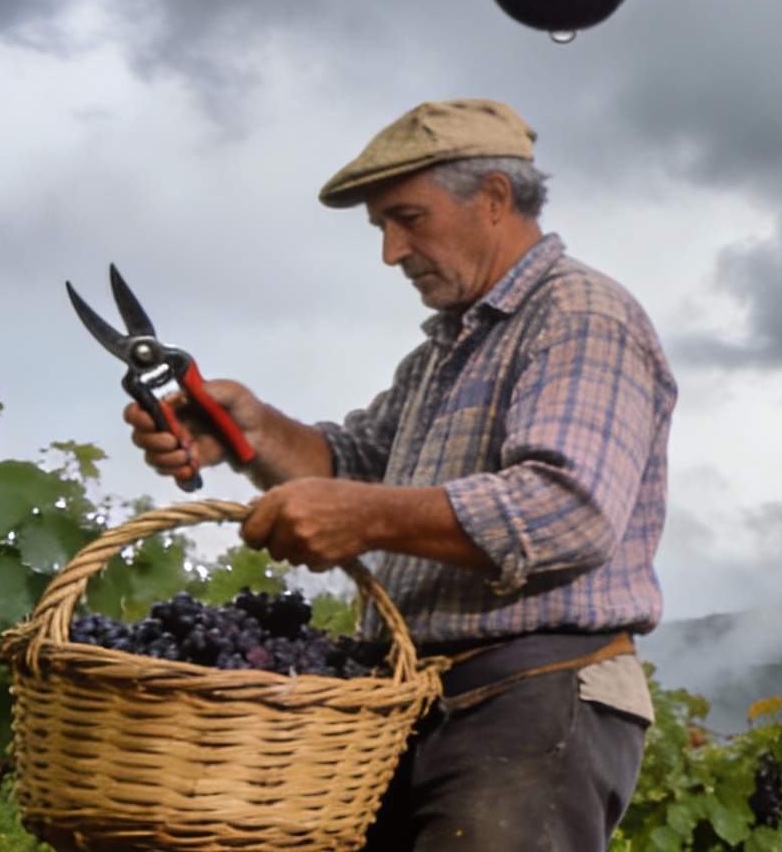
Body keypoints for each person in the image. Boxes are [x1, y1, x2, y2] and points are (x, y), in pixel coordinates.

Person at [123, 99, 677, 852]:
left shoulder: (580, 313)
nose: (391, 251)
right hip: (411, 703)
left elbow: (567, 510)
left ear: (493, 198)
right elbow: (352, 466)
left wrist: (365, 516)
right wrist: (250, 433)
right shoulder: (440, 355)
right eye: (381, 227)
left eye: (408, 218)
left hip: (532, 694)